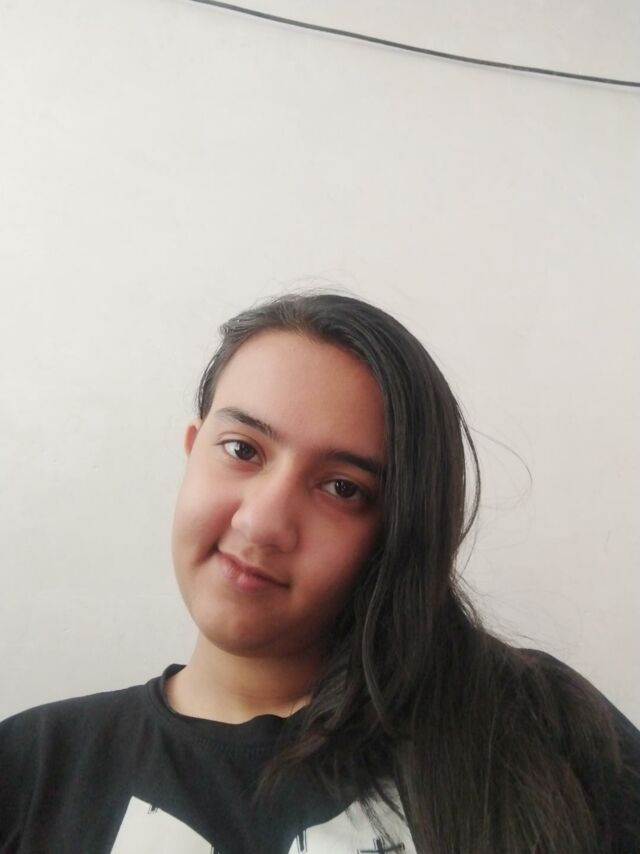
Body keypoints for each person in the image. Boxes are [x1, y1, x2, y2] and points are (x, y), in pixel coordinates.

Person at [1, 292, 638, 854]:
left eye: (342, 487)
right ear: (193, 450)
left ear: (397, 531)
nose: (263, 523)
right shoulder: (30, 768)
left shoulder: (536, 729)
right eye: (242, 450)